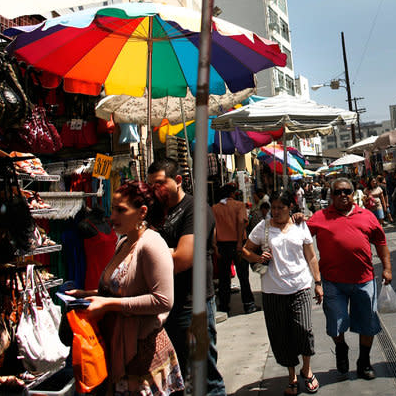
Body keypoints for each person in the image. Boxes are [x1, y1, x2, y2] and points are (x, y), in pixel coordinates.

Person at [68, 181, 184, 396]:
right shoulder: (123, 243)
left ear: (142, 212)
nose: (112, 217)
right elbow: (122, 290)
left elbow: (163, 300)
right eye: (113, 209)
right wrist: (87, 295)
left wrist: (108, 304)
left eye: (121, 210)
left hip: (144, 355)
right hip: (120, 347)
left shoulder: (151, 244)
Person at [147, 160, 225, 396]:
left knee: (204, 376)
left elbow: (182, 258)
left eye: (159, 184)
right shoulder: (154, 212)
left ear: (178, 181)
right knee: (174, 376)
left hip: (192, 305)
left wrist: (151, 256)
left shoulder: (196, 209)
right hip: (163, 304)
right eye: (150, 185)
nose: (153, 190)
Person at [306, 177, 392, 380]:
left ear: (353, 194)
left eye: (346, 191)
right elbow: (299, 237)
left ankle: (364, 361)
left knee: (368, 322)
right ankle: (341, 348)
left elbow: (381, 242)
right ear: (331, 196)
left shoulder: (367, 216)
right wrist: (298, 219)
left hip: (364, 280)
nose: (343, 195)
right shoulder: (319, 217)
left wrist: (387, 268)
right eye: (338, 192)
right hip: (332, 282)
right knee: (335, 323)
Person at [242, 192, 323, 396]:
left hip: (300, 287)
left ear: (290, 208)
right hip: (273, 291)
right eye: (273, 208)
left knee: (304, 329)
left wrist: (318, 282)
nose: (276, 212)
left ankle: (307, 368)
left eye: (281, 208)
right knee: (281, 335)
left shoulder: (300, 225)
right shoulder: (263, 227)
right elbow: (245, 251)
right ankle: (292, 376)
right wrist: (259, 258)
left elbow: (311, 256)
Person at [213, 184, 259, 314]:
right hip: (238, 244)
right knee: (243, 276)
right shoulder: (239, 206)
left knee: (224, 278)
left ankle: (224, 305)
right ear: (232, 194)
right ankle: (249, 304)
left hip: (222, 245)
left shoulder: (215, 208)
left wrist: (215, 245)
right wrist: (239, 243)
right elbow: (241, 223)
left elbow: (214, 229)